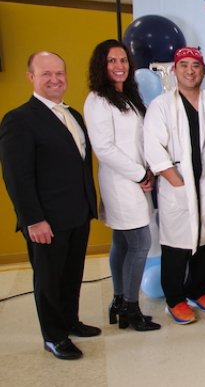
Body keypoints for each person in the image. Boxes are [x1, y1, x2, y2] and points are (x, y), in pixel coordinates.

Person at [0, 51, 99, 360]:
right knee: (48, 279)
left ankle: (70, 321)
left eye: (60, 73)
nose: (55, 79)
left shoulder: (73, 115)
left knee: (72, 274)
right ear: (31, 77)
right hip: (47, 220)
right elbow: (17, 177)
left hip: (78, 213)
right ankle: (54, 336)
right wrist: (33, 219)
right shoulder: (19, 119)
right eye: (46, 74)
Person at [83, 39, 160, 332]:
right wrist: (140, 174)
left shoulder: (127, 97)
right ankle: (131, 307)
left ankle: (118, 299)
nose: (119, 66)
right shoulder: (98, 100)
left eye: (123, 60)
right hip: (122, 182)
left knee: (122, 243)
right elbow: (104, 148)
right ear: (101, 66)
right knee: (140, 243)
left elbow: (138, 140)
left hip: (137, 178)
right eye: (112, 61)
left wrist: (147, 169)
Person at [143, 47, 205, 324]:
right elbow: (153, 146)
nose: (190, 71)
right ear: (175, 70)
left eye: (196, 66)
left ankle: (197, 290)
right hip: (178, 187)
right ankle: (175, 299)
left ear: (204, 71)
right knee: (176, 247)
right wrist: (175, 181)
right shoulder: (161, 105)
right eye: (184, 65)